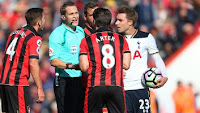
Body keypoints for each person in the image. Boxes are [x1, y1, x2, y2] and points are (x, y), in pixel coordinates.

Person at [115, 5, 168, 113]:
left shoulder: (146, 37)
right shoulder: (114, 39)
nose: (116, 23)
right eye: (116, 20)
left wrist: (165, 75)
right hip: (121, 90)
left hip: (141, 89)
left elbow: (157, 58)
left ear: (130, 22)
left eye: (120, 20)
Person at [79, 8, 131, 113]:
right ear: (110, 21)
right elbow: (126, 64)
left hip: (95, 86)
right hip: (116, 86)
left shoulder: (87, 40)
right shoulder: (121, 39)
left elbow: (84, 66)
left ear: (94, 21)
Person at [0, 8, 45, 113]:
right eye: (43, 18)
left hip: (4, 81)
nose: (44, 21)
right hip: (18, 83)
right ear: (39, 22)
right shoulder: (34, 37)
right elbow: (33, 63)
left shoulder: (13, 33)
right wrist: (39, 88)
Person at [48, 1, 85, 113]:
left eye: (76, 13)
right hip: (65, 81)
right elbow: (53, 61)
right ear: (63, 17)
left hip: (81, 79)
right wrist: (73, 66)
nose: (75, 16)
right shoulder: (58, 33)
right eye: (71, 14)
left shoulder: (81, 31)